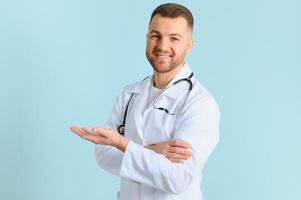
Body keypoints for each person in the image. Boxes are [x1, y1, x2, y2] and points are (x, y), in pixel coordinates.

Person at [70, 3, 220, 200]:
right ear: (147, 38)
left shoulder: (200, 104)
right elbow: (104, 156)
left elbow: (177, 179)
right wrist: (151, 150)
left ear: (189, 45)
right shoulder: (130, 94)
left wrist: (121, 144)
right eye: (156, 36)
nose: (162, 46)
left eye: (174, 38)